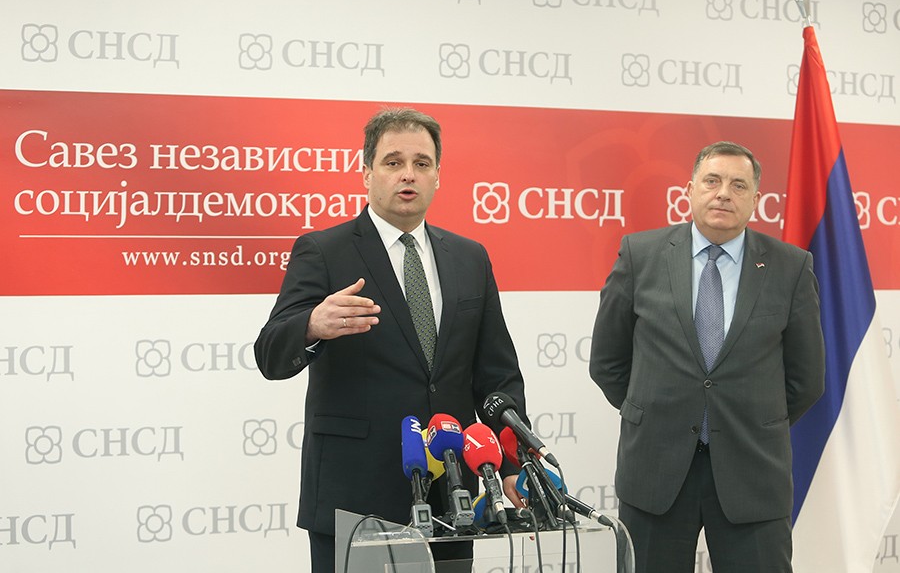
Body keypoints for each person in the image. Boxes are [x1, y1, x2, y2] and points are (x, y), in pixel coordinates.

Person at [254, 107, 527, 573]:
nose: (408, 175)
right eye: (393, 162)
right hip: (356, 492)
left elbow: (496, 373)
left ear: (438, 176)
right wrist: (312, 325)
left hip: (452, 491)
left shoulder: (470, 257)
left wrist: (512, 464)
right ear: (367, 173)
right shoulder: (323, 251)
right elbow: (270, 353)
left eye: (422, 163)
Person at [589, 141, 825, 573]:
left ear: (756, 199)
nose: (723, 194)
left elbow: (806, 379)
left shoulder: (791, 267)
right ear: (690, 189)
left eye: (739, 185)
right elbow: (607, 361)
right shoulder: (640, 254)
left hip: (753, 473)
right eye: (712, 181)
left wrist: (753, 421)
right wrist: (655, 412)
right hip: (655, 472)